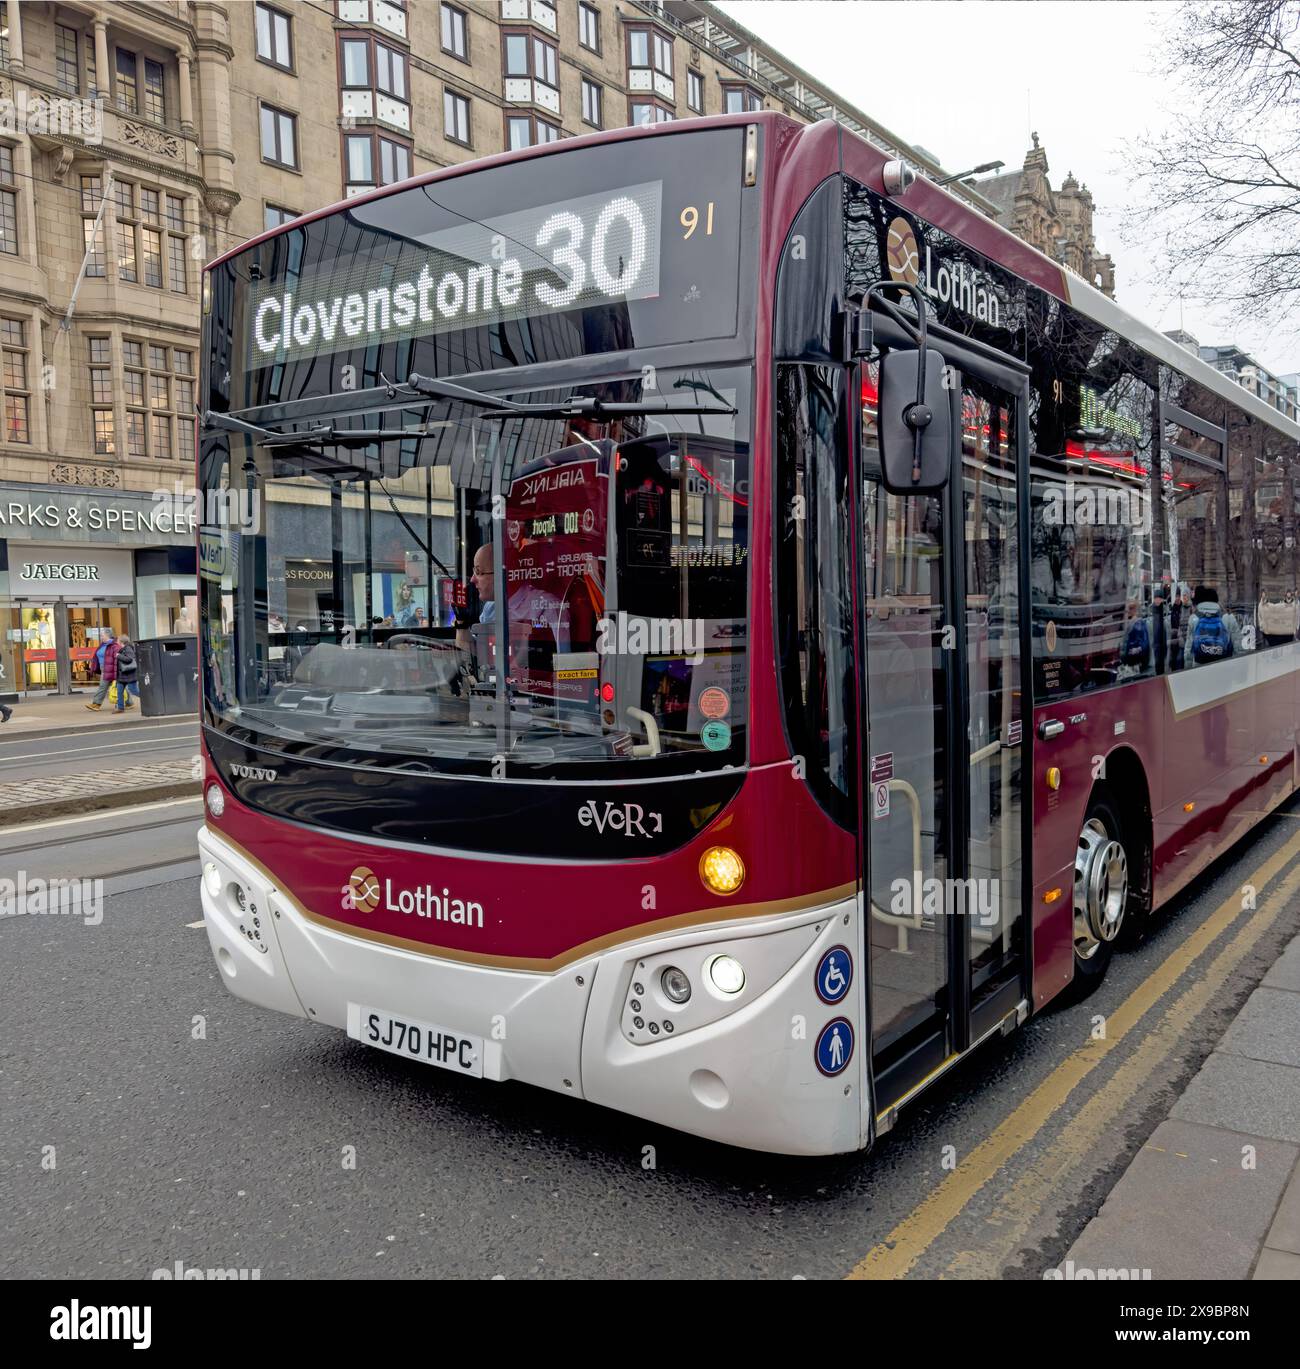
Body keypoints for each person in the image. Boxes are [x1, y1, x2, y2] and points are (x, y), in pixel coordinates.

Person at [1184, 585, 1241, 668]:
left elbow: (1188, 650)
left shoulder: (1193, 618)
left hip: (1199, 669)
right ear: (1216, 601)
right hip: (1224, 667)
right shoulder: (1228, 618)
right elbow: (1239, 647)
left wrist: (1187, 671)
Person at [84, 628, 119, 711]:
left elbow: (117, 658)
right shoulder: (103, 644)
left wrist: (116, 670)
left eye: (102, 635)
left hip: (110, 668)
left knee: (103, 687)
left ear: (107, 635)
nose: (101, 637)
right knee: (118, 686)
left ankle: (96, 704)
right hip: (104, 668)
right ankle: (129, 703)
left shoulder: (114, 645)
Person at [113, 635, 140, 712]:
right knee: (119, 691)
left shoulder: (128, 648)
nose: (117, 641)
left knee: (134, 690)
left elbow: (129, 659)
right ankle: (120, 708)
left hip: (129, 674)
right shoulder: (122, 649)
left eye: (118, 640)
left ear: (121, 641)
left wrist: (119, 656)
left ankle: (148, 699)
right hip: (122, 675)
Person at [471, 544, 496, 624]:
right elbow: (480, 637)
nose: (472, 580)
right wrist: (462, 622)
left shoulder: (531, 608)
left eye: (478, 572)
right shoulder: (490, 608)